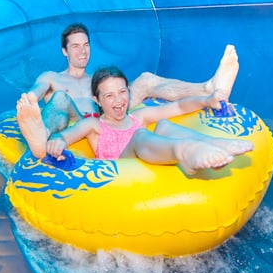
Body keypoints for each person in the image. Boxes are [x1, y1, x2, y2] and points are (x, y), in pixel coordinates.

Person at [16, 48, 253, 175]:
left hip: (147, 150)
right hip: (120, 168)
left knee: (165, 125)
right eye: (109, 96)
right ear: (97, 101)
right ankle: (185, 153)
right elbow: (64, 137)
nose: (118, 100)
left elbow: (178, 107)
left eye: (122, 92)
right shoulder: (94, 126)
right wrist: (56, 141)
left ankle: (216, 143)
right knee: (139, 135)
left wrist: (206, 100)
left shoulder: (138, 116)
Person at [26, 23, 241, 137]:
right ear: (65, 51)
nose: (82, 51)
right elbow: (35, 93)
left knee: (146, 80)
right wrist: (31, 101)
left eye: (86, 45)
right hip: (78, 123)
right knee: (62, 98)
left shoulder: (97, 82)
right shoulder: (51, 78)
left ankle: (208, 88)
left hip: (108, 116)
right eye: (75, 46)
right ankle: (41, 135)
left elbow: (116, 96)